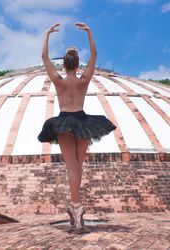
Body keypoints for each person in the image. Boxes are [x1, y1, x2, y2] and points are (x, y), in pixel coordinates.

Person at [38, 23, 116, 229]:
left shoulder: (58, 80)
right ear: (78, 65)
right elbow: (95, 54)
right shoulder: (84, 81)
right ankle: (76, 207)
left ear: (63, 66)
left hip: (64, 120)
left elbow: (45, 58)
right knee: (77, 166)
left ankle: (76, 205)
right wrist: (90, 32)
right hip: (82, 122)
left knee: (72, 167)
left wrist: (47, 35)